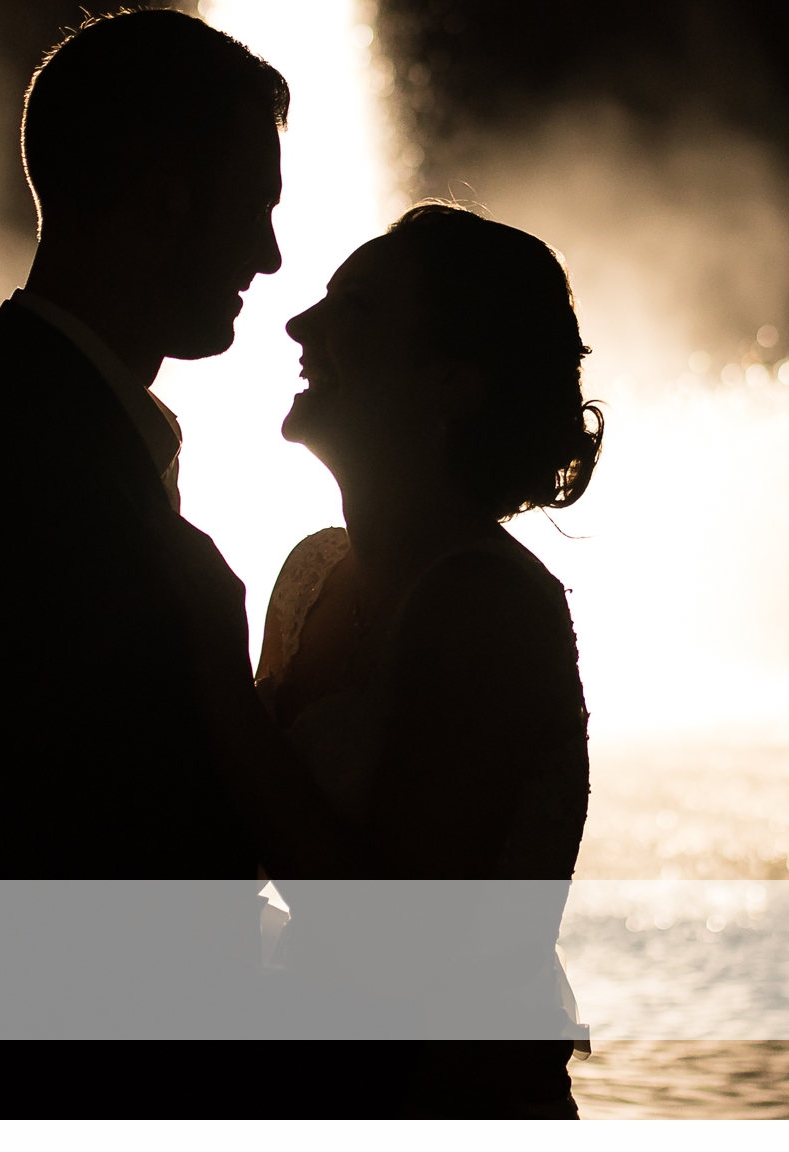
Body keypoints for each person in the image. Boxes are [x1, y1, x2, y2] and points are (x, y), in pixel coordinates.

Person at [0, 8, 287, 1117]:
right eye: (255, 210)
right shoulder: (36, 465)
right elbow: (121, 858)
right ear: (166, 200)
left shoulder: (25, 426)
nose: (269, 257)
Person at [164, 202, 606, 1117]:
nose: (300, 325)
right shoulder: (312, 573)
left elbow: (395, 949)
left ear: (454, 379)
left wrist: (210, 671)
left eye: (354, 308)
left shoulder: (487, 607)